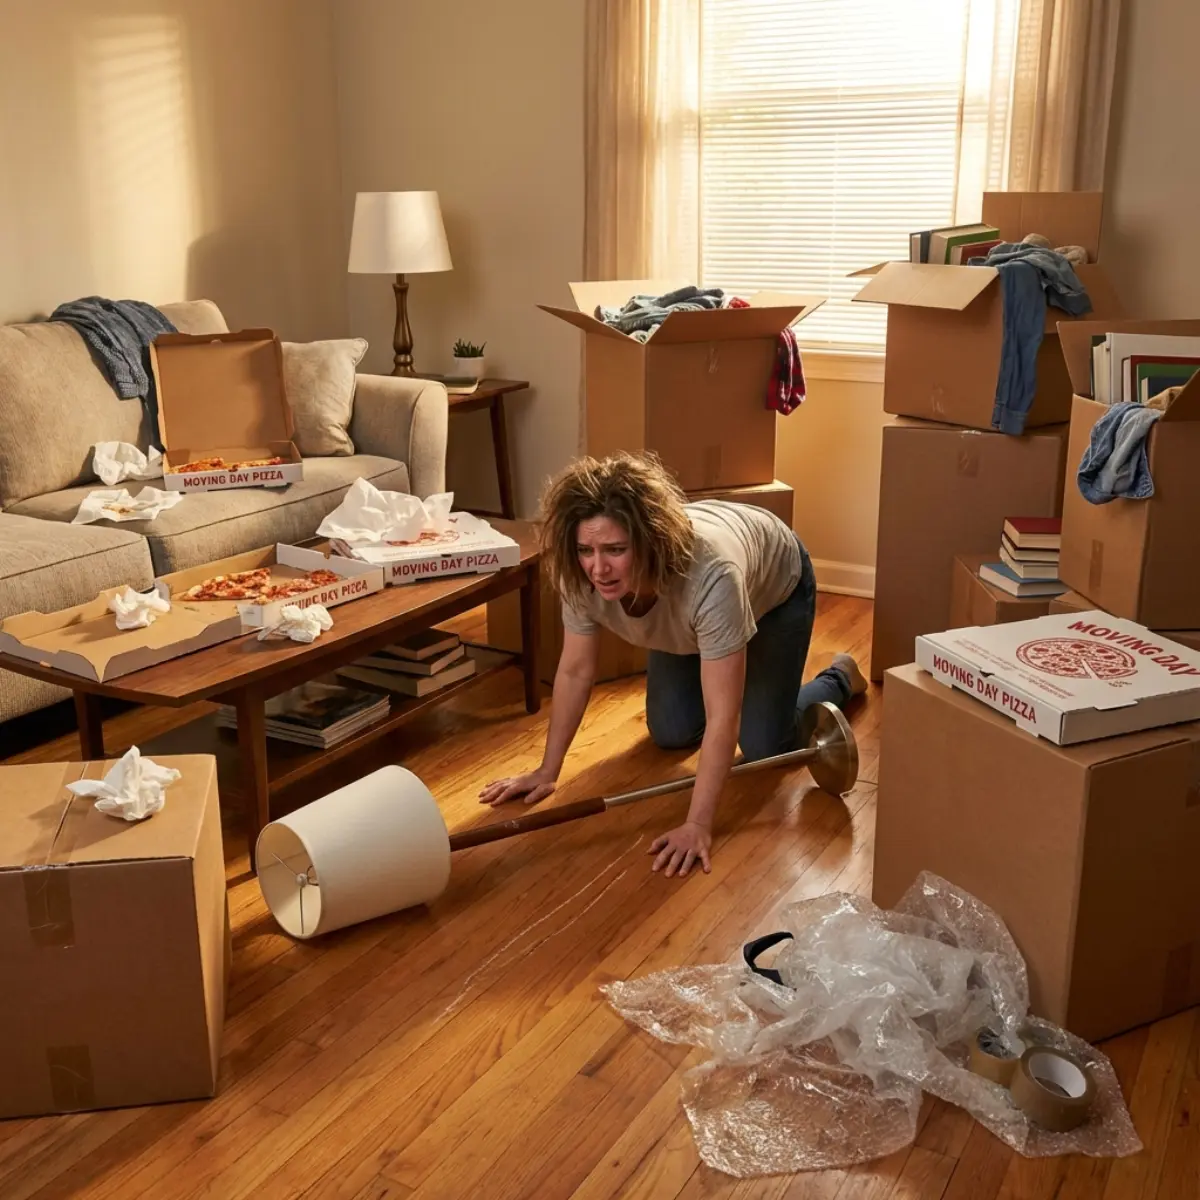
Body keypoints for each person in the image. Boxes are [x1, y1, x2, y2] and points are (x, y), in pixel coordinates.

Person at [479, 452, 866, 879]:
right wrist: (547, 770)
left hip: (775, 588)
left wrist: (698, 824)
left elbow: (723, 716)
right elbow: (574, 671)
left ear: (648, 544)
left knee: (766, 747)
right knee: (671, 731)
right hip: (687, 614)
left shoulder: (712, 578)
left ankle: (839, 678)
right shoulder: (582, 576)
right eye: (586, 550)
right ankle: (724, 656)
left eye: (615, 550)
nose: (598, 567)